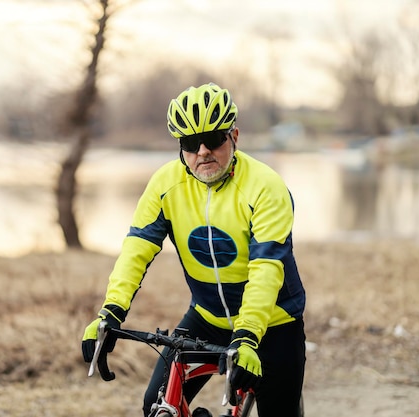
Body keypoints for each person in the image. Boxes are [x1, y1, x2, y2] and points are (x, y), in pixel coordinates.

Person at [81, 82, 306, 417]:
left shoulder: (265, 186)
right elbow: (136, 250)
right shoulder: (165, 184)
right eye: (189, 142)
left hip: (274, 323)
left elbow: (266, 267)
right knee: (156, 406)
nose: (202, 151)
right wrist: (110, 312)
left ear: (234, 136)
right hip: (207, 317)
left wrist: (246, 337)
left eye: (213, 139)